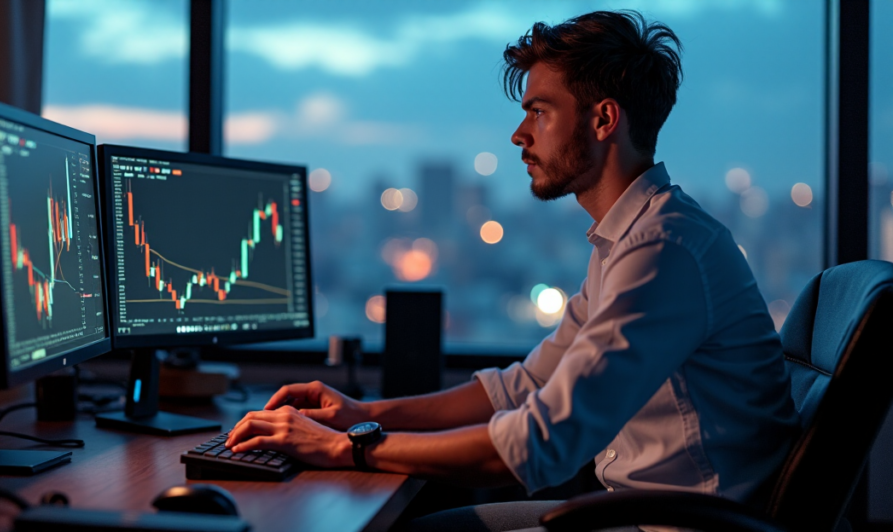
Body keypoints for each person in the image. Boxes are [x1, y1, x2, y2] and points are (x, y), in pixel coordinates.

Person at [224, 10, 800, 532]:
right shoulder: (629, 241)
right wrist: (361, 415)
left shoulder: (663, 250)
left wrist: (345, 449)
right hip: (641, 512)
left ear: (603, 120)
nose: (519, 135)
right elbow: (523, 387)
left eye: (539, 112)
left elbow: (537, 444)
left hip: (678, 526)